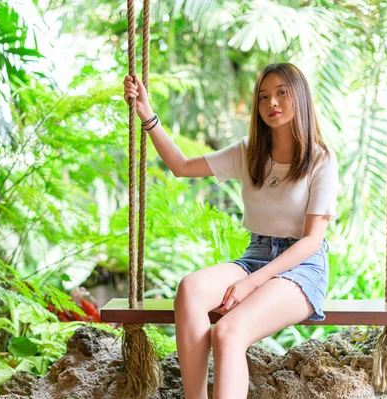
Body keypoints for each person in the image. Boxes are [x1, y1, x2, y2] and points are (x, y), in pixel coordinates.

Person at [123, 62, 338, 399]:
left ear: (300, 97)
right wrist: (147, 115)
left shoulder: (320, 160)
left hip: (301, 268)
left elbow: (312, 240)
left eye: (282, 93)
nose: (272, 103)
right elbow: (180, 166)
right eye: (264, 97)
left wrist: (250, 283)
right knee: (191, 289)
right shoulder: (248, 151)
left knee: (228, 333)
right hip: (256, 255)